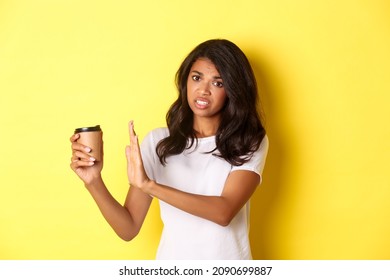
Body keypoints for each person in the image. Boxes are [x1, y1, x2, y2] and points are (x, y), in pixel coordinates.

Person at [70, 39, 269, 260]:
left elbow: (223, 212)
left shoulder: (248, 141)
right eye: (196, 78)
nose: (203, 90)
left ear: (233, 90)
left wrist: (149, 186)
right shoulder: (159, 142)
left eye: (218, 83)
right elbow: (128, 228)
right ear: (185, 82)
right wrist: (93, 181)